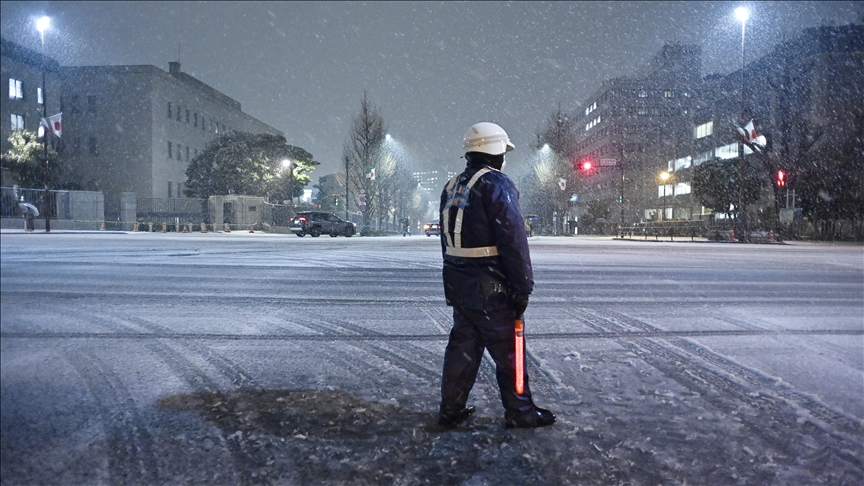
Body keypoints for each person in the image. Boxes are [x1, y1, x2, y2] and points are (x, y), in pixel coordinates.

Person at [437, 122, 556, 429]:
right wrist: (522, 287)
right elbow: (513, 240)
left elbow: (447, 241)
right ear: (496, 150)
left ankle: (450, 409)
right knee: (510, 353)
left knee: (463, 348)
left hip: (459, 281)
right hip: (492, 285)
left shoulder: (451, 186)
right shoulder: (496, 184)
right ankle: (521, 412)